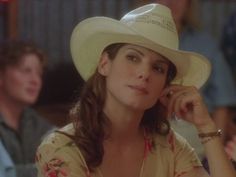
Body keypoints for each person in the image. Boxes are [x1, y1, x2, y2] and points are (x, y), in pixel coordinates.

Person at [36, 3, 236, 177]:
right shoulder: (60, 149)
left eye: (158, 68)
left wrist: (206, 126)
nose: (144, 73)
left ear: (165, 87)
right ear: (104, 63)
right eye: (133, 57)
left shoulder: (170, 147)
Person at [154, 0, 236, 160]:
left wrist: (213, 153)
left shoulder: (206, 45)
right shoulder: (136, 41)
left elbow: (223, 103)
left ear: (189, 3)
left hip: (196, 146)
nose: (171, 2)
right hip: (149, 138)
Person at [0, 40, 55, 177]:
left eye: (39, 74)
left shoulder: (36, 123)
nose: (35, 80)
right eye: (26, 70)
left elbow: (63, 150)